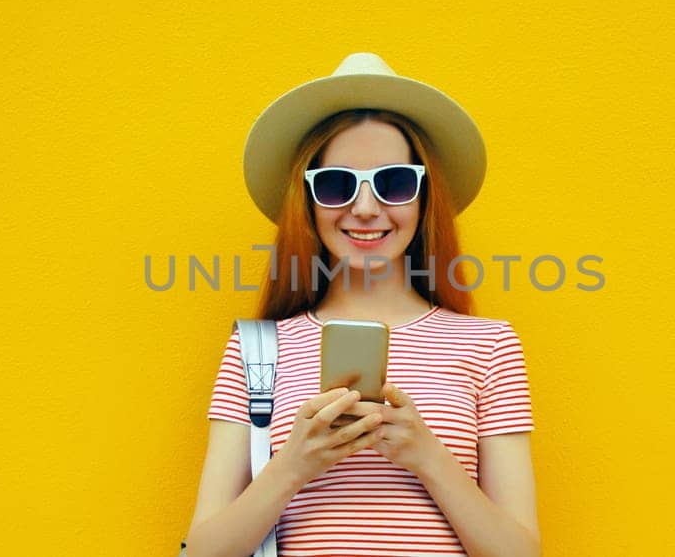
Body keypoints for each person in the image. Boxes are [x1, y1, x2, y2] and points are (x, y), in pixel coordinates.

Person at [183, 53, 540, 556]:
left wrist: (428, 457)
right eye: (337, 185)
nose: (366, 208)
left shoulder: (488, 345)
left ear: (423, 197)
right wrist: (292, 467)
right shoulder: (258, 350)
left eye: (394, 182)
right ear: (307, 202)